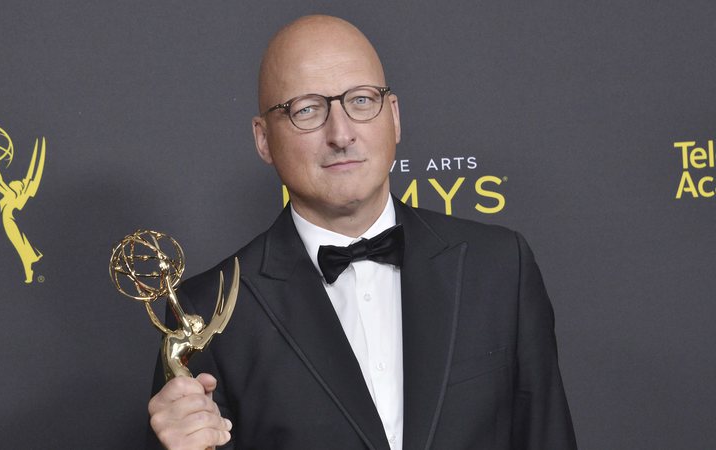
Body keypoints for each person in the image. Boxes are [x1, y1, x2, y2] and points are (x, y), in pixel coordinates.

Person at [147, 15, 577, 450]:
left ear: (393, 116)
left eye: (361, 100)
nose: (341, 133)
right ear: (263, 139)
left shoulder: (501, 266)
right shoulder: (208, 310)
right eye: (307, 110)